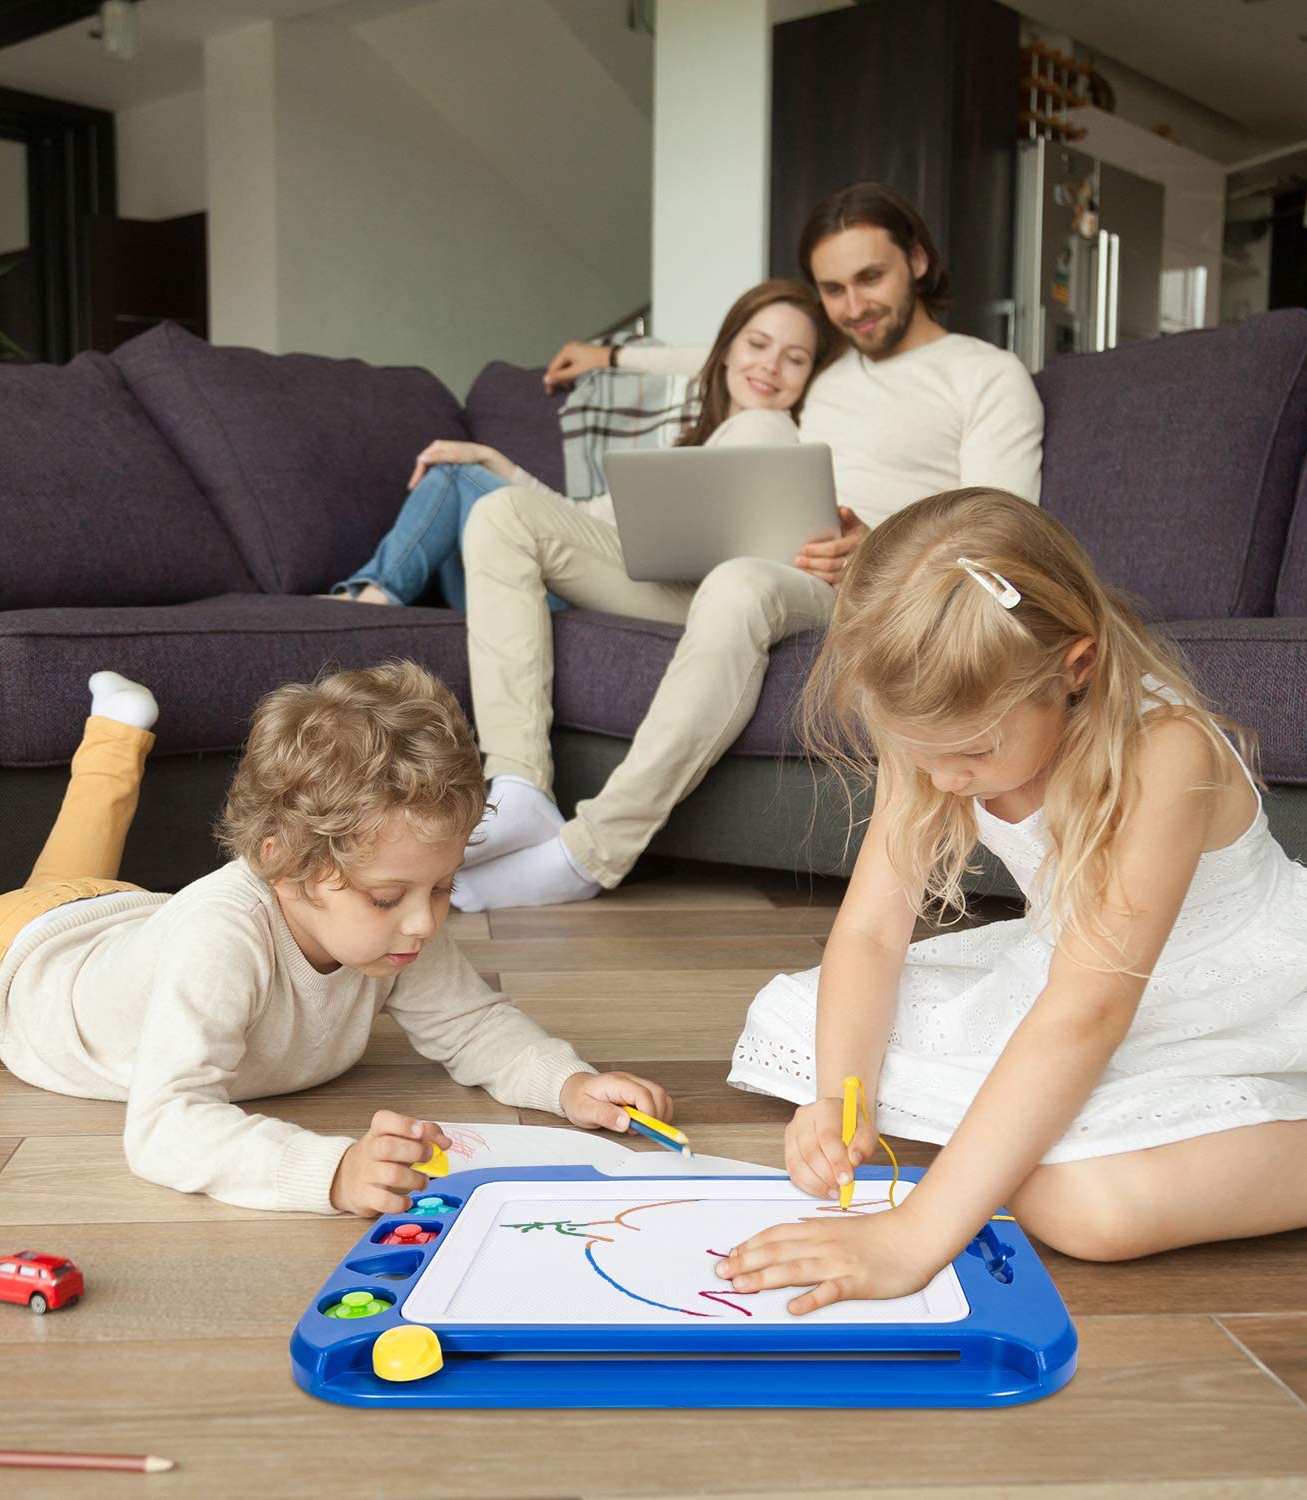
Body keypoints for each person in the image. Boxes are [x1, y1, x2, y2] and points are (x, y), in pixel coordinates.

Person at [717, 489, 1307, 1314]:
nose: (944, 778)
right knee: (802, 1022)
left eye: (970, 751)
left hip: (1233, 997)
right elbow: (874, 934)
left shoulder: (1163, 753)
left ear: (1075, 669)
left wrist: (916, 1235)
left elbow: (1085, 1015)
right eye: (923, 753)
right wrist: (835, 1099)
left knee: (1091, 1210)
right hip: (1077, 971)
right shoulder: (933, 726)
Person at [0, 664, 673, 1217]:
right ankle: (110, 734)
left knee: (55, 887)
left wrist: (567, 1082)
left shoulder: (391, 929)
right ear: (285, 864)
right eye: (390, 895)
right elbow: (167, 1126)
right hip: (0, 973)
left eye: (442, 887)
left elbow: (473, 1025)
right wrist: (327, 1172)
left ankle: (115, 733)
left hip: (112, 913)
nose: (425, 920)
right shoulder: (224, 940)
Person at [455, 184, 1045, 912]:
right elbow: (732, 350)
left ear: (918, 260)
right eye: (833, 289)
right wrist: (609, 353)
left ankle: (591, 852)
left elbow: (1003, 535)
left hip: (861, 590)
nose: (854, 305)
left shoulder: (985, 375)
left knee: (739, 584)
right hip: (743, 564)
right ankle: (516, 786)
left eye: (871, 278)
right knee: (505, 516)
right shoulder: (822, 369)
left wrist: (876, 548)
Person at [328, 278, 818, 609]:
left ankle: (370, 599)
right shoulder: (699, 440)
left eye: (794, 358)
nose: (770, 367)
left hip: (596, 587)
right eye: (757, 345)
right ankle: (374, 597)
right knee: (460, 472)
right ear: (727, 349)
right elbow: (585, 519)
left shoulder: (767, 430)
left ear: (811, 374)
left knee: (456, 474)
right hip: (569, 570)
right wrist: (496, 459)